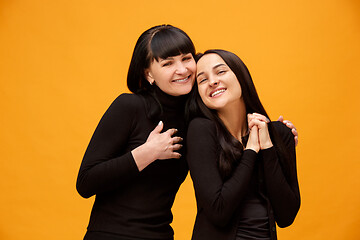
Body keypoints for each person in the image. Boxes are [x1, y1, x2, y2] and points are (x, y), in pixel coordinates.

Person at [76, 24, 298, 240]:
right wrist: (146, 153)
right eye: (167, 63)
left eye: (186, 58)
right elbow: (85, 182)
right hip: (111, 233)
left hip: (160, 234)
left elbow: (232, 117)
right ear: (148, 74)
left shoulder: (195, 118)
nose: (181, 69)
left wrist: (278, 136)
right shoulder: (131, 106)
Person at [186, 49, 300, 240]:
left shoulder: (279, 134)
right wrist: (251, 151)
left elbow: (286, 216)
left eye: (220, 71)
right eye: (202, 79)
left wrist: (268, 147)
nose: (213, 81)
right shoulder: (200, 130)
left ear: (241, 75)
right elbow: (219, 212)